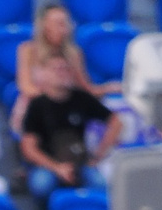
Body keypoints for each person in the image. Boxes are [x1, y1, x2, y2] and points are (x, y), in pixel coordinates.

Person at [18, 54, 113, 199]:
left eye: (65, 69)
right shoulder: (37, 105)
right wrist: (57, 168)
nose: (61, 72)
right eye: (56, 69)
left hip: (80, 162)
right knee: (41, 185)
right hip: (48, 164)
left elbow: (116, 120)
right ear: (45, 73)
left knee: (101, 184)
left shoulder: (82, 98)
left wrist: (101, 152)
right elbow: (28, 148)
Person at [12, 6, 114, 131]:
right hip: (36, 109)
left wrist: (109, 88)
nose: (63, 28)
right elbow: (26, 86)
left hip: (66, 111)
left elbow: (84, 88)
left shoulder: (74, 54)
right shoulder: (28, 50)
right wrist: (54, 99)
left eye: (65, 23)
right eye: (58, 23)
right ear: (45, 26)